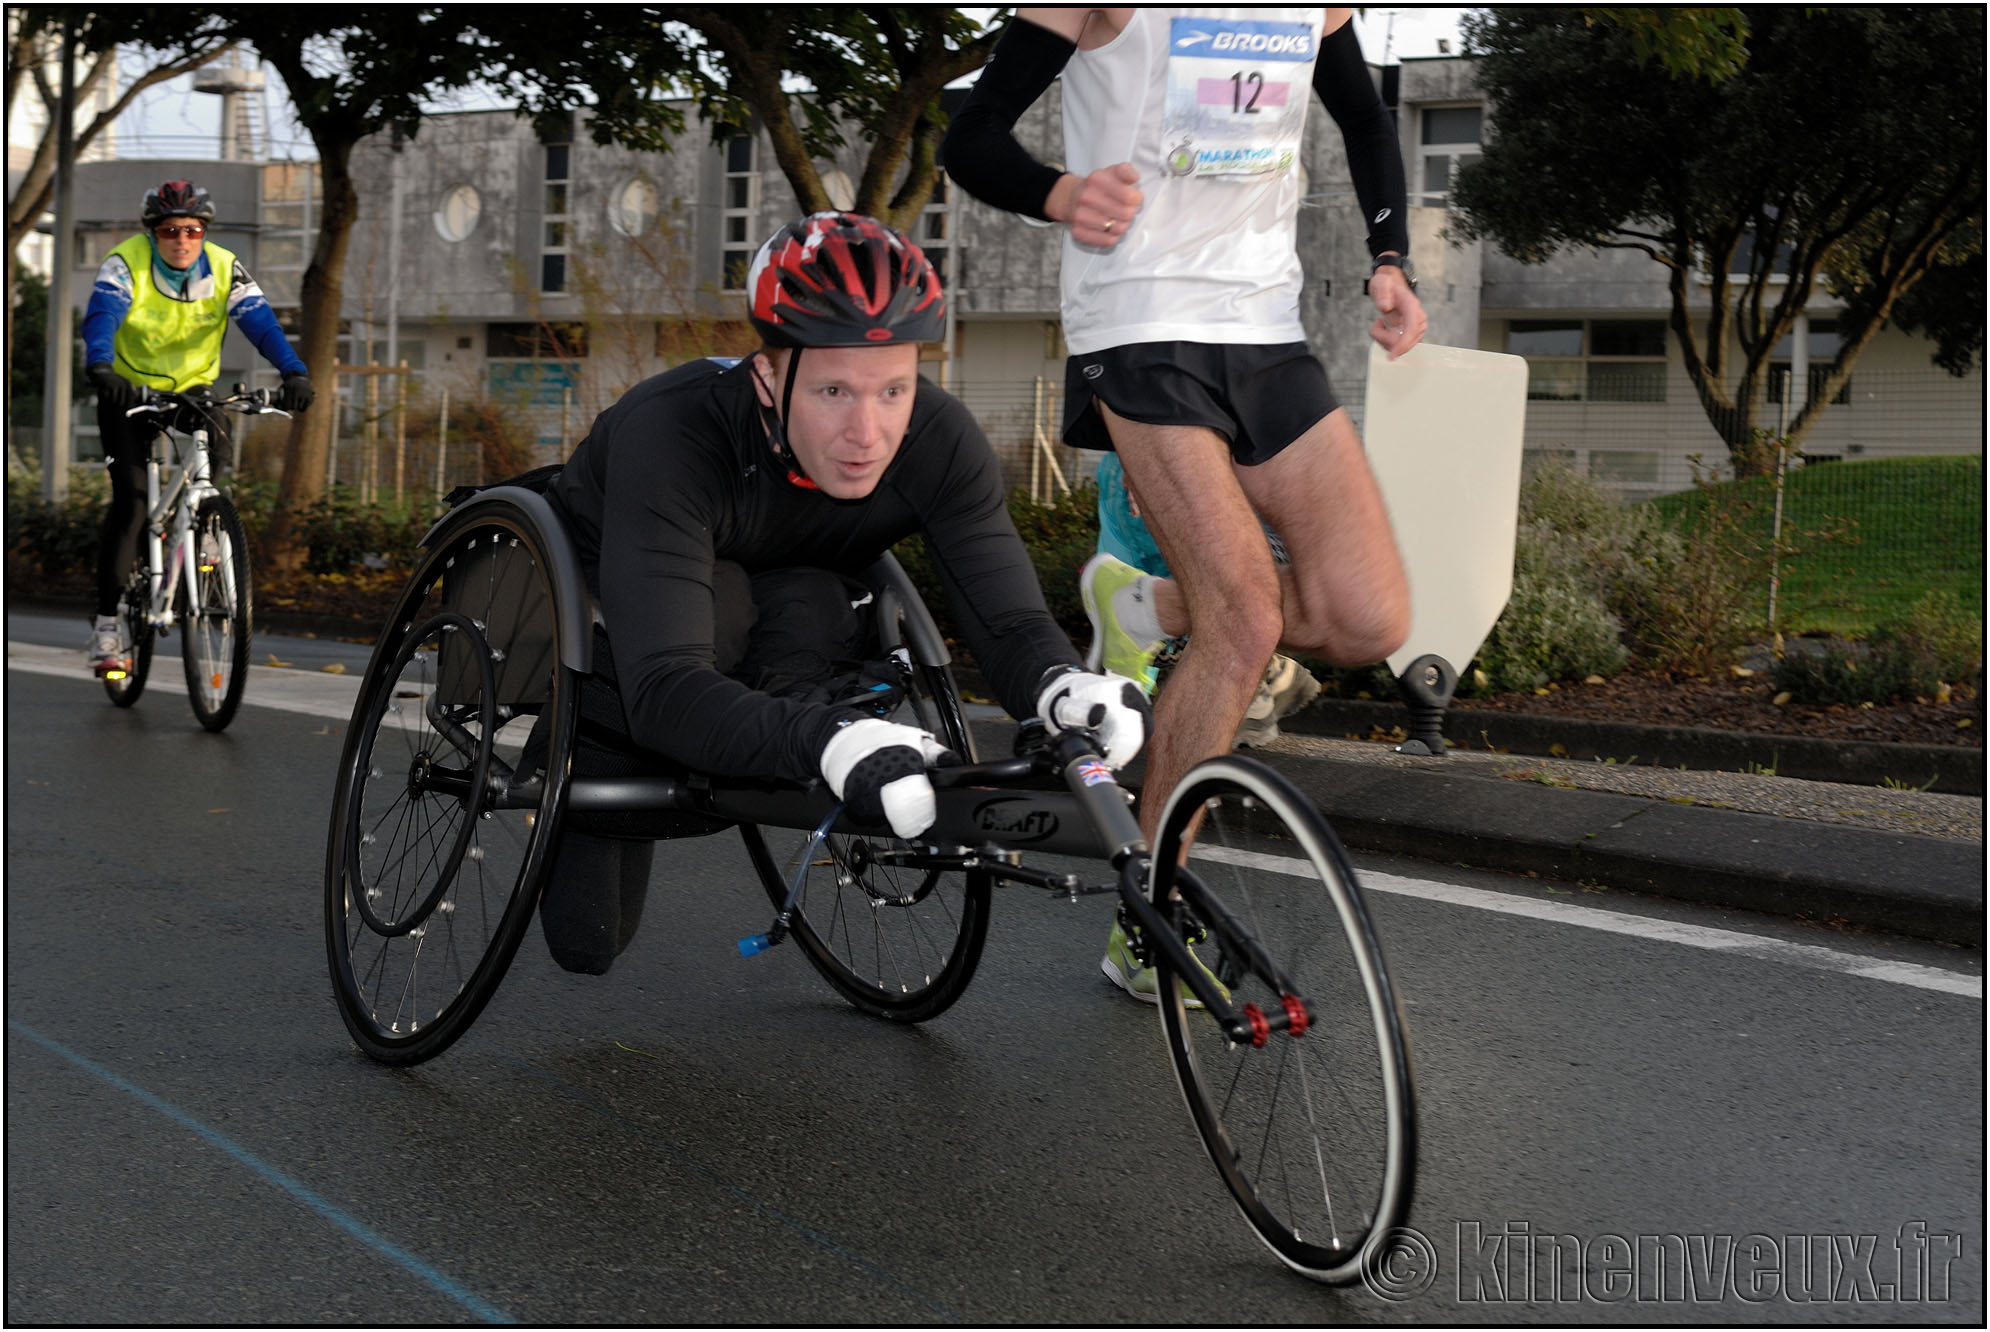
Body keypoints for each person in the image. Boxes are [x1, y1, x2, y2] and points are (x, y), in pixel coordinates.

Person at [945, 7, 1425, 1003]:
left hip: (1262, 322)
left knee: (1368, 615)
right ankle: (1148, 915)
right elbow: (972, 136)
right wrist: (1062, 192)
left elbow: (1366, 120)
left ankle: (1141, 606)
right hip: (1138, 317)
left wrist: (1392, 258)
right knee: (1244, 617)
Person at [534, 211, 1152, 977]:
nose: (868, 431)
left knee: (828, 607)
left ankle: (787, 721)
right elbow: (666, 685)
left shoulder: (938, 440)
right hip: (636, 633)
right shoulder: (674, 435)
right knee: (587, 943)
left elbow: (1010, 620)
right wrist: (826, 741)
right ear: (767, 376)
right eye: (832, 390)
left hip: (791, 605)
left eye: (893, 389)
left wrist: (1062, 688)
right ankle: (599, 739)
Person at [81, 179, 315, 675]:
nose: (182, 239)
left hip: (191, 390)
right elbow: (102, 315)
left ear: (204, 231)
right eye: (170, 230)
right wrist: (102, 366)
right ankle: (107, 625)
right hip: (129, 392)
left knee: (219, 426)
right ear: (153, 233)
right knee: (133, 504)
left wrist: (293, 371)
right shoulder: (125, 264)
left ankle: (208, 521)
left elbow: (261, 323)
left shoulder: (226, 267)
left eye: (193, 229)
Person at [1093, 450, 1321, 745]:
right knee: (1138, 592)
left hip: (1184, 456)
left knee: (1150, 590)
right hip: (1170, 455)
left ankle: (1251, 678)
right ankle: (1254, 678)